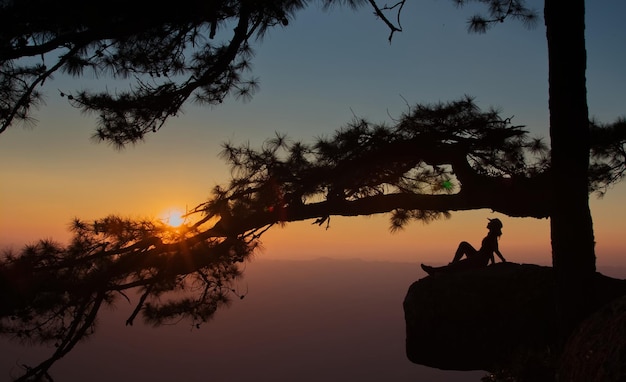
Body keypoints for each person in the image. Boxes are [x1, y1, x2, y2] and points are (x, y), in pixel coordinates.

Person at [420, 218, 507, 275]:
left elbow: (495, 250)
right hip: (478, 257)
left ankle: (434, 270)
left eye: (490, 222)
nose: (488, 223)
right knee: (463, 244)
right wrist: (493, 263)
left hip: (479, 260)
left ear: (493, 226)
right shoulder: (490, 236)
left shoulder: (492, 237)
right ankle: (449, 264)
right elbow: (491, 251)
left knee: (457, 266)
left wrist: (502, 261)